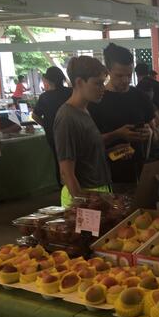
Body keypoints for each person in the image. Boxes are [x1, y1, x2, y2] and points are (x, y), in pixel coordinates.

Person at [88, 43, 153, 189]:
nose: (125, 80)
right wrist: (117, 135)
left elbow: (152, 126)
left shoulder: (140, 96)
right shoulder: (96, 101)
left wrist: (148, 132)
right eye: (119, 75)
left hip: (141, 170)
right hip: (107, 175)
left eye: (129, 75)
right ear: (107, 71)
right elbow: (88, 143)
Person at [53, 56, 112, 207]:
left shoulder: (83, 110)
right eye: (97, 83)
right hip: (84, 196)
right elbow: (66, 172)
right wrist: (82, 205)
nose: (102, 88)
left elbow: (85, 149)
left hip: (96, 193)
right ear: (79, 82)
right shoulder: (67, 117)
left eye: (103, 83)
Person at [32, 66, 73, 186]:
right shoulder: (71, 92)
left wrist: (47, 125)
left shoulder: (45, 97)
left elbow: (35, 116)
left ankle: (63, 188)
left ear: (48, 80)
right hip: (71, 131)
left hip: (53, 134)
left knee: (59, 161)